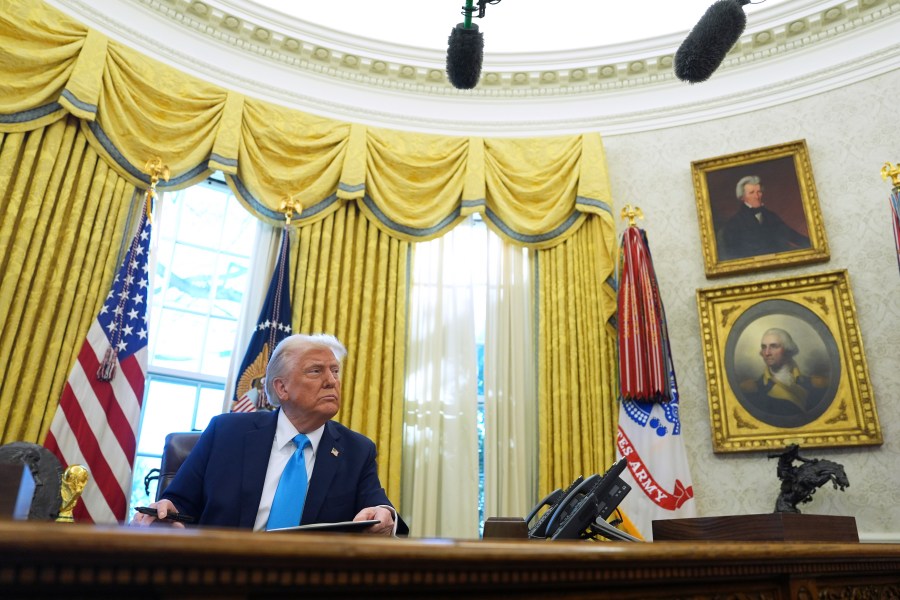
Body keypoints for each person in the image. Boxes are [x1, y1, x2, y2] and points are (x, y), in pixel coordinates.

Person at [132, 333, 407, 536]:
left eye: (335, 371)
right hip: (224, 578)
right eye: (316, 371)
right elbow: (177, 503)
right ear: (282, 388)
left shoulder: (357, 450)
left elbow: (379, 506)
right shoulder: (226, 433)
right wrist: (166, 512)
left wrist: (386, 517)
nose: (331, 380)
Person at [739, 328, 827, 423]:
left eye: (773, 346)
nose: (767, 353)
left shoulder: (817, 384)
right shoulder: (751, 389)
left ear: (787, 350)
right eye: (764, 347)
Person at [716, 175, 810, 260]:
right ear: (742, 197)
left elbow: (790, 234)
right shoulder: (734, 223)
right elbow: (732, 255)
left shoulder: (771, 216)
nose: (757, 196)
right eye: (752, 193)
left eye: (759, 192)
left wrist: (814, 245)